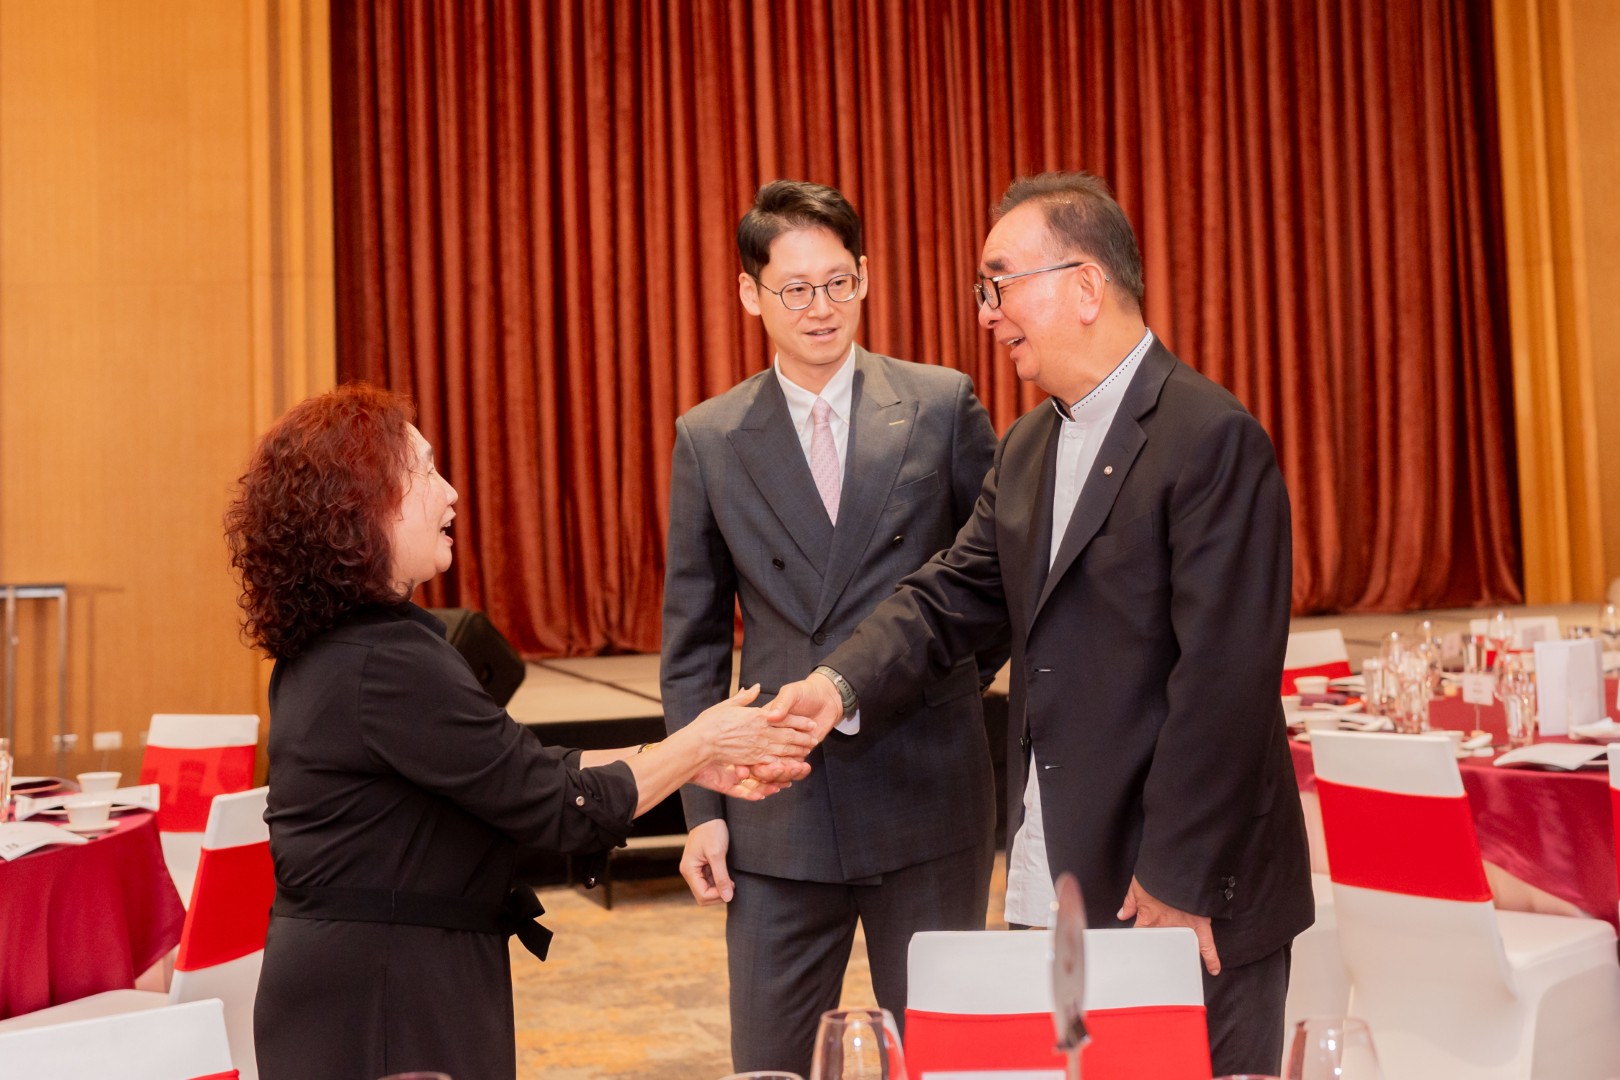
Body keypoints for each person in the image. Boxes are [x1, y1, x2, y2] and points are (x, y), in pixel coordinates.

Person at [768, 171, 1314, 1076]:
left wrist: (1177, 878)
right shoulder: (1030, 445)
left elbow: (1226, 683)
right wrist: (836, 686)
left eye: (1000, 283)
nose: (987, 313)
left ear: (1086, 284)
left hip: (1183, 893)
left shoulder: (1209, 437)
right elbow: (951, 595)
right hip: (1061, 872)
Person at [225, 384, 814, 1080]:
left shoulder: (350, 646)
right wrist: (702, 742)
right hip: (386, 997)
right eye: (425, 472)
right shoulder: (384, 662)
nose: (450, 493)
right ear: (361, 507)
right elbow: (555, 804)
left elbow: (520, 769)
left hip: (374, 979)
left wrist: (682, 763)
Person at [660, 179, 1005, 1076]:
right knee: (770, 1061)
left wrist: (932, 684)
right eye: (796, 289)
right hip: (775, 803)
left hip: (928, 789)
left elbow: (993, 585)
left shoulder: (940, 404)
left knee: (943, 1058)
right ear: (750, 294)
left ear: (866, 277)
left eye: (838, 282)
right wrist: (702, 810)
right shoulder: (709, 437)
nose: (821, 308)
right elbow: (694, 644)